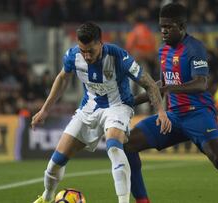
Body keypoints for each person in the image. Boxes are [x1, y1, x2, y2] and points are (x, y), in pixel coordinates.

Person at [124, 3, 218, 203]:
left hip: (199, 114)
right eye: (161, 27)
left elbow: (200, 83)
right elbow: (160, 85)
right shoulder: (163, 51)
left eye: (169, 27)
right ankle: (143, 201)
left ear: (182, 26)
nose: (164, 31)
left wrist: (169, 88)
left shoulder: (195, 48)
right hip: (174, 118)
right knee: (128, 144)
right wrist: (130, 102)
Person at [31, 22, 171, 203]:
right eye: (83, 51)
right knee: (55, 162)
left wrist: (161, 111)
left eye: (91, 50)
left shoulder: (119, 56)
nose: (87, 56)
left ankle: (123, 201)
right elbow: (62, 78)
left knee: (114, 146)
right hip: (88, 109)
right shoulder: (73, 56)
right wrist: (44, 110)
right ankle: (46, 197)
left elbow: (149, 83)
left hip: (117, 107)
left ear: (100, 43)